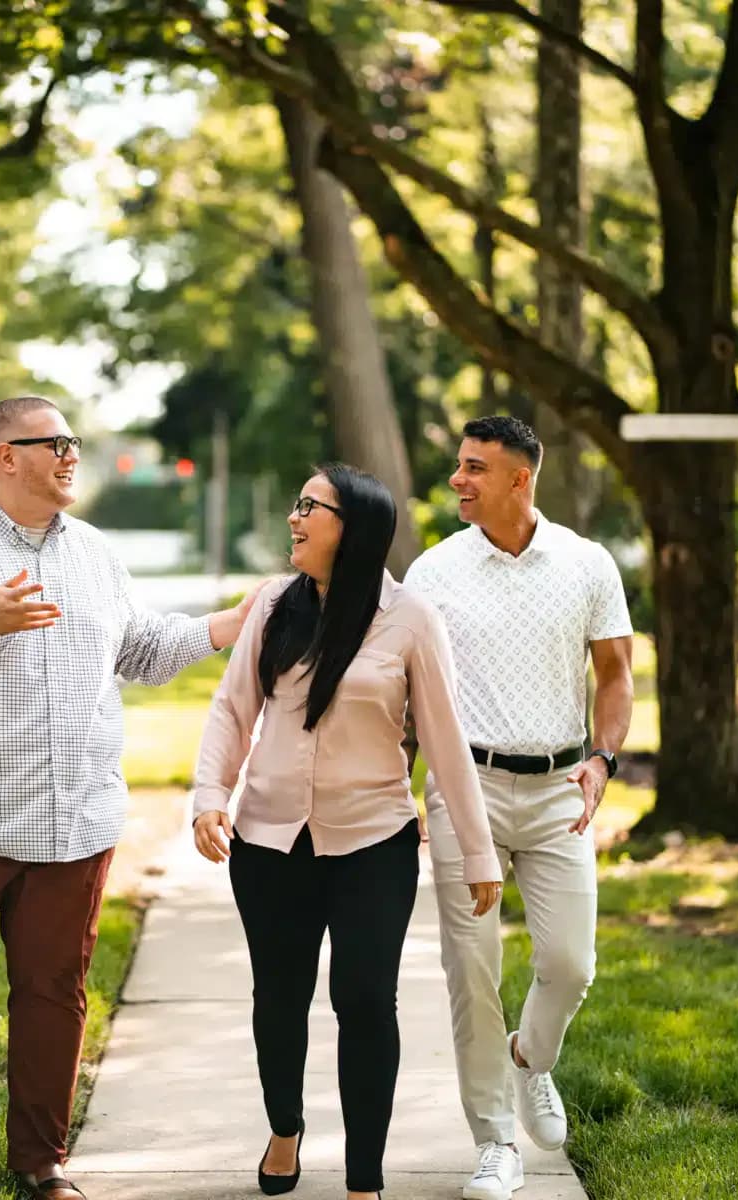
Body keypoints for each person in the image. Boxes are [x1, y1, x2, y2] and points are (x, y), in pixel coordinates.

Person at [0, 394, 260, 1200]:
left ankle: (40, 1163)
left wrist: (231, 621)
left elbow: (142, 649)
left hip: (72, 814)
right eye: (57, 443)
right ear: (6, 455)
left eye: (76, 442)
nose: (74, 455)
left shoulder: (96, 555)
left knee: (53, 989)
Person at [192, 462, 503, 1200]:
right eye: (296, 504)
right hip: (269, 842)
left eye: (310, 507)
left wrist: (480, 851)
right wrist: (210, 794)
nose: (294, 519)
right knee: (280, 995)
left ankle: (365, 1179)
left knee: (365, 999)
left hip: (373, 842)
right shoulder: (273, 604)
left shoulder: (412, 620)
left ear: (353, 527)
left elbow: (445, 740)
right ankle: (285, 1128)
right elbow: (232, 711)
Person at [403, 415, 633, 1200]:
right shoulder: (433, 572)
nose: (458, 480)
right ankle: (494, 1142)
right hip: (463, 788)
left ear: (519, 479)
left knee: (570, 964)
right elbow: (406, 686)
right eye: (458, 466)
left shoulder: (587, 563)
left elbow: (615, 675)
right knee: (471, 967)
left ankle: (530, 1058)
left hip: (560, 787)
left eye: (474, 468)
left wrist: (603, 760)